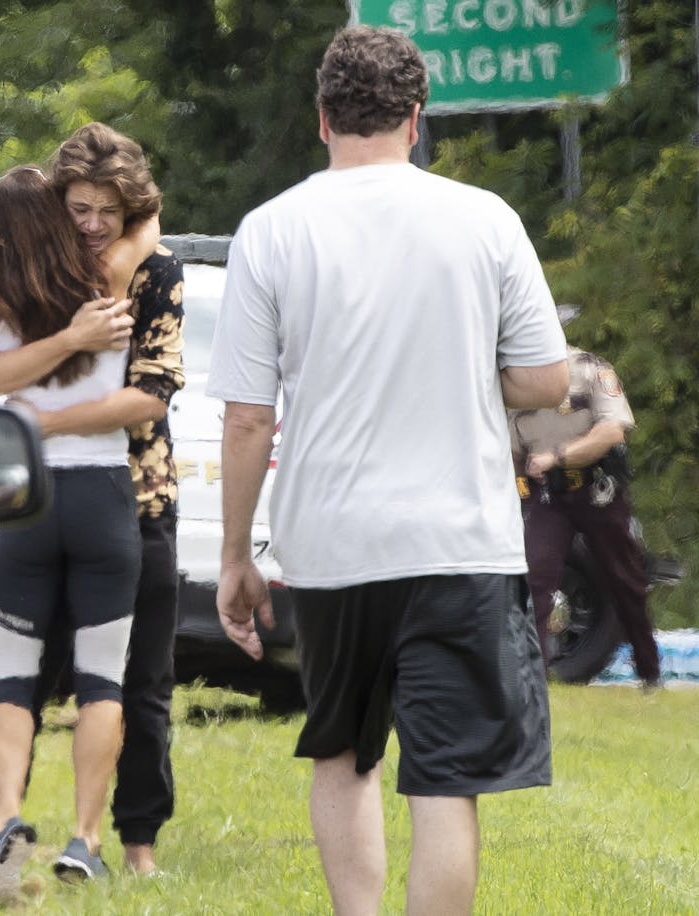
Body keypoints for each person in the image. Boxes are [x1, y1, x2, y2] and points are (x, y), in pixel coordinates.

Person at [206, 25, 568, 915]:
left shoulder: (272, 228)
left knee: (344, 752)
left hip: (332, 545)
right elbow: (545, 379)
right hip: (460, 542)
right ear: (417, 118)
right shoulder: (485, 218)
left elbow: (250, 415)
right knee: (445, 779)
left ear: (322, 119)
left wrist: (235, 557)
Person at [0, 122, 185, 880]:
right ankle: (47, 834)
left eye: (105, 213)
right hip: (98, 498)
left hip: (125, 499)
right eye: (75, 207)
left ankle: (124, 842)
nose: (89, 225)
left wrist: (38, 422)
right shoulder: (90, 273)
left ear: (128, 209)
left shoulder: (139, 274)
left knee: (121, 685)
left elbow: (150, 396)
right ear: (54, 204)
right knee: (98, 680)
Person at [510, 346, 662, 690]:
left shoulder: (590, 370)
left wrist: (559, 456)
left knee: (625, 580)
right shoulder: (510, 382)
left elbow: (612, 431)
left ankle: (650, 673)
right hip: (548, 496)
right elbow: (511, 450)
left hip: (597, 492)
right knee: (535, 579)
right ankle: (530, 683)